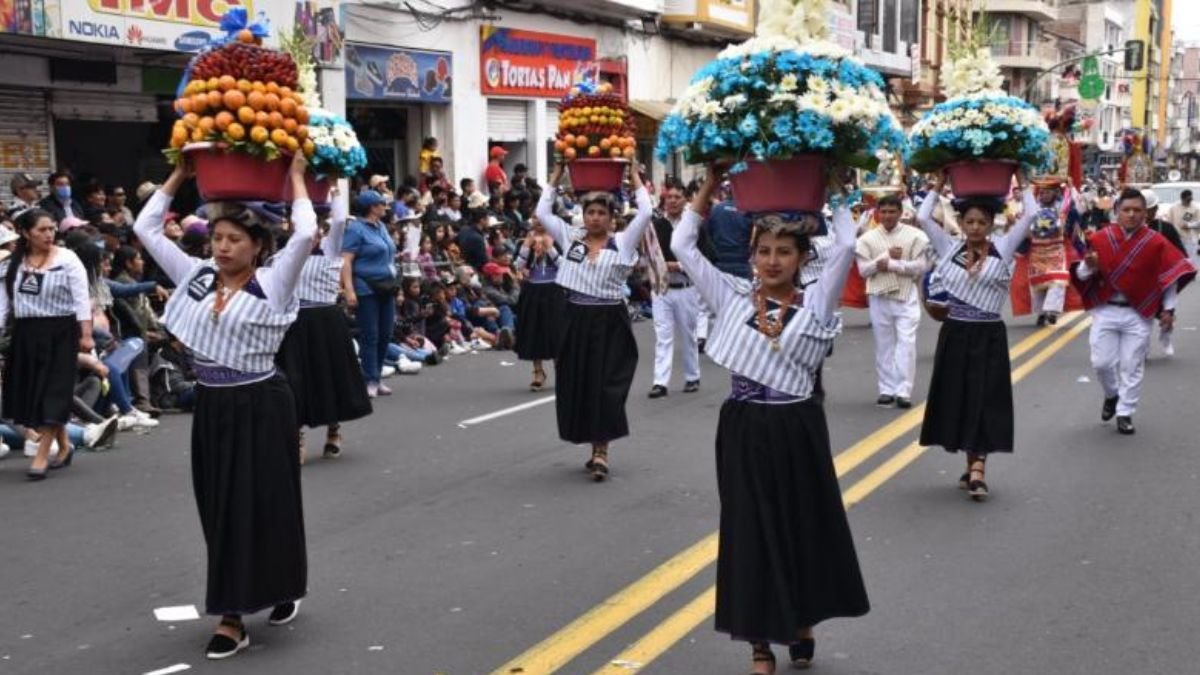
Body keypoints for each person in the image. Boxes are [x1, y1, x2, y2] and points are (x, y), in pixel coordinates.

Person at [673, 164, 868, 673]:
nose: (772, 261)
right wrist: (710, 184)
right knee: (750, 529)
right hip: (743, 426)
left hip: (796, 426)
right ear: (752, 255)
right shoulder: (731, 295)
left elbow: (847, 244)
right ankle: (759, 641)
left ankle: (801, 619)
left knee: (801, 524)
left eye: (784, 251)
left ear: (802, 258)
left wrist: (833, 184)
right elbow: (682, 246)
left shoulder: (816, 301)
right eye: (763, 251)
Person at [133, 154, 315, 660]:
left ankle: (249, 606)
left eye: (235, 239)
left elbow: (305, 234)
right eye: (217, 238)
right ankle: (236, 606)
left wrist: (296, 177)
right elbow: (146, 229)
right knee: (221, 506)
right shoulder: (195, 276)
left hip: (262, 404)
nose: (223, 247)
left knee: (268, 503)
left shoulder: (273, 282)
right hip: (213, 406)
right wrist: (179, 175)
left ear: (258, 246)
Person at [917, 171, 1038, 501]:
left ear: (991, 224)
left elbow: (1031, 215)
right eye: (969, 221)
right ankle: (971, 461)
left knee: (984, 399)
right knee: (960, 398)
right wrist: (939, 183)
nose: (975, 227)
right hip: (955, 333)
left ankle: (978, 468)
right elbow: (923, 217)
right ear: (961, 223)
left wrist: (1021, 179)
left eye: (981, 222)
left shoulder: (1002, 248)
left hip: (988, 335)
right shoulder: (948, 247)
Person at [535, 161, 651, 480]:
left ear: (611, 217)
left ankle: (601, 450)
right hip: (574, 317)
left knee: (606, 385)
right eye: (590, 212)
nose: (595, 218)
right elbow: (543, 213)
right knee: (577, 382)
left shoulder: (622, 242)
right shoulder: (571, 237)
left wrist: (634, 176)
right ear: (583, 215)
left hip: (609, 320)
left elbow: (645, 213)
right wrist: (557, 174)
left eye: (601, 213)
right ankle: (589, 439)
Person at [1072, 188, 1196, 435]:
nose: (1131, 214)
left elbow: (1168, 280)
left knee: (1132, 364)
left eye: (1137, 210)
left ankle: (1125, 412)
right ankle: (1112, 394)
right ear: (1117, 211)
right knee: (1101, 363)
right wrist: (1088, 266)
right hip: (1106, 311)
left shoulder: (1156, 242)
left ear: (1145, 214)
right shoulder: (1100, 239)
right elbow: (1081, 275)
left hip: (1138, 313)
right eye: (1126, 210)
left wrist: (1168, 309)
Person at [277, 192, 373, 463]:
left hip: (326, 321)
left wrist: (335, 188)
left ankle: (333, 431)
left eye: (315, 230)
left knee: (328, 376)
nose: (311, 235)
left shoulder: (330, 251)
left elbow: (340, 220)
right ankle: (297, 436)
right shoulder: (285, 256)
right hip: (294, 322)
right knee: (295, 379)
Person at [0, 208, 94, 480]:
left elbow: (81, 298)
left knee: (53, 392)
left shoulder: (67, 259)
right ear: (25, 233)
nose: (49, 234)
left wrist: (86, 334)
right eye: (42, 229)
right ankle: (64, 445)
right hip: (26, 333)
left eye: (52, 228)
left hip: (61, 332)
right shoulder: (12, 264)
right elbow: (4, 304)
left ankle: (42, 455)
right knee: (35, 392)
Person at [855, 193, 929, 408]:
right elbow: (863, 271)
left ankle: (904, 391)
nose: (887, 216)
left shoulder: (915, 236)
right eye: (884, 211)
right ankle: (886, 389)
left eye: (892, 212)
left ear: (900, 213)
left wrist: (895, 265)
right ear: (878, 213)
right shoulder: (867, 239)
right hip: (879, 295)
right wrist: (884, 257)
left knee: (906, 343)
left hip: (906, 295)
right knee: (884, 344)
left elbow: (921, 266)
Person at [341, 190, 399, 398]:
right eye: (381, 203)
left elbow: (390, 257)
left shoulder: (381, 226)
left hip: (387, 286)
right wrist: (349, 290)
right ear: (372, 207)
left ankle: (377, 376)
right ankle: (369, 379)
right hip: (366, 287)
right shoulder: (355, 229)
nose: (385, 207)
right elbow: (346, 261)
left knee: (385, 334)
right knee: (370, 335)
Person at [647, 181, 701, 398]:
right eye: (669, 197)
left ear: (685, 199)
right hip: (662, 289)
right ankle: (660, 382)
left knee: (688, 335)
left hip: (686, 288)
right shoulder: (656, 225)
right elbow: (649, 254)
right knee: (663, 335)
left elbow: (703, 256)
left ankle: (692, 376)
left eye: (677, 197)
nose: (672, 201)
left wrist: (678, 265)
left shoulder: (693, 225)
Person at [513, 216, 565, 390]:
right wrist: (526, 247)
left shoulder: (558, 239)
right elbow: (518, 265)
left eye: (542, 217)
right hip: (533, 290)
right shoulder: (525, 241)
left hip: (554, 290)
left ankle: (560, 369)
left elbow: (565, 265)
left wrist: (550, 248)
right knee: (534, 331)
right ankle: (538, 371)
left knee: (556, 331)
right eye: (535, 217)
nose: (539, 221)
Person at [1024, 180, 1081, 326]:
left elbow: (1074, 208)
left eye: (1048, 192)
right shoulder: (1034, 208)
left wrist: (1070, 187)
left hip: (1056, 249)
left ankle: (1052, 311)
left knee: (1058, 280)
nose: (1044, 195)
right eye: (1042, 192)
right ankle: (1041, 313)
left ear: (1055, 193)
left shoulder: (1063, 206)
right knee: (1038, 283)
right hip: (1037, 250)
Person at [1143, 190, 1189, 356]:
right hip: (1141, 281)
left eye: (1149, 209)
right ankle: (1143, 346)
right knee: (1143, 316)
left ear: (1155, 209)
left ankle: (1166, 337)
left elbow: (1181, 253)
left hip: (1165, 280)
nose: (1145, 213)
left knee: (1167, 314)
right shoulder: (1130, 229)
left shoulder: (1166, 228)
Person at [1166, 189, 1200, 254]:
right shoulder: (1174, 207)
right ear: (1182, 199)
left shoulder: (1195, 208)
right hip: (1177, 238)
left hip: (1191, 240)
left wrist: (1189, 225)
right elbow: (1168, 221)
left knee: (1190, 258)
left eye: (1191, 199)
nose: (1189, 201)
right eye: (1188, 200)